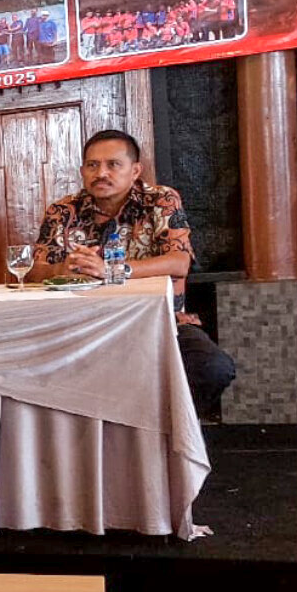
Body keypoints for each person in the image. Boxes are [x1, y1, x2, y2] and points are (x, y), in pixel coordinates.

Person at [34, 129, 236, 417]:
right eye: (92, 165)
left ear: (135, 170)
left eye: (113, 164)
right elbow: (34, 272)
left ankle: (165, 432)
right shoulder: (62, 211)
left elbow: (179, 262)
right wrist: (62, 268)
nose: (101, 173)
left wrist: (111, 270)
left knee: (213, 367)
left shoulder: (161, 200)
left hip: (161, 323)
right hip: (85, 327)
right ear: (82, 171)